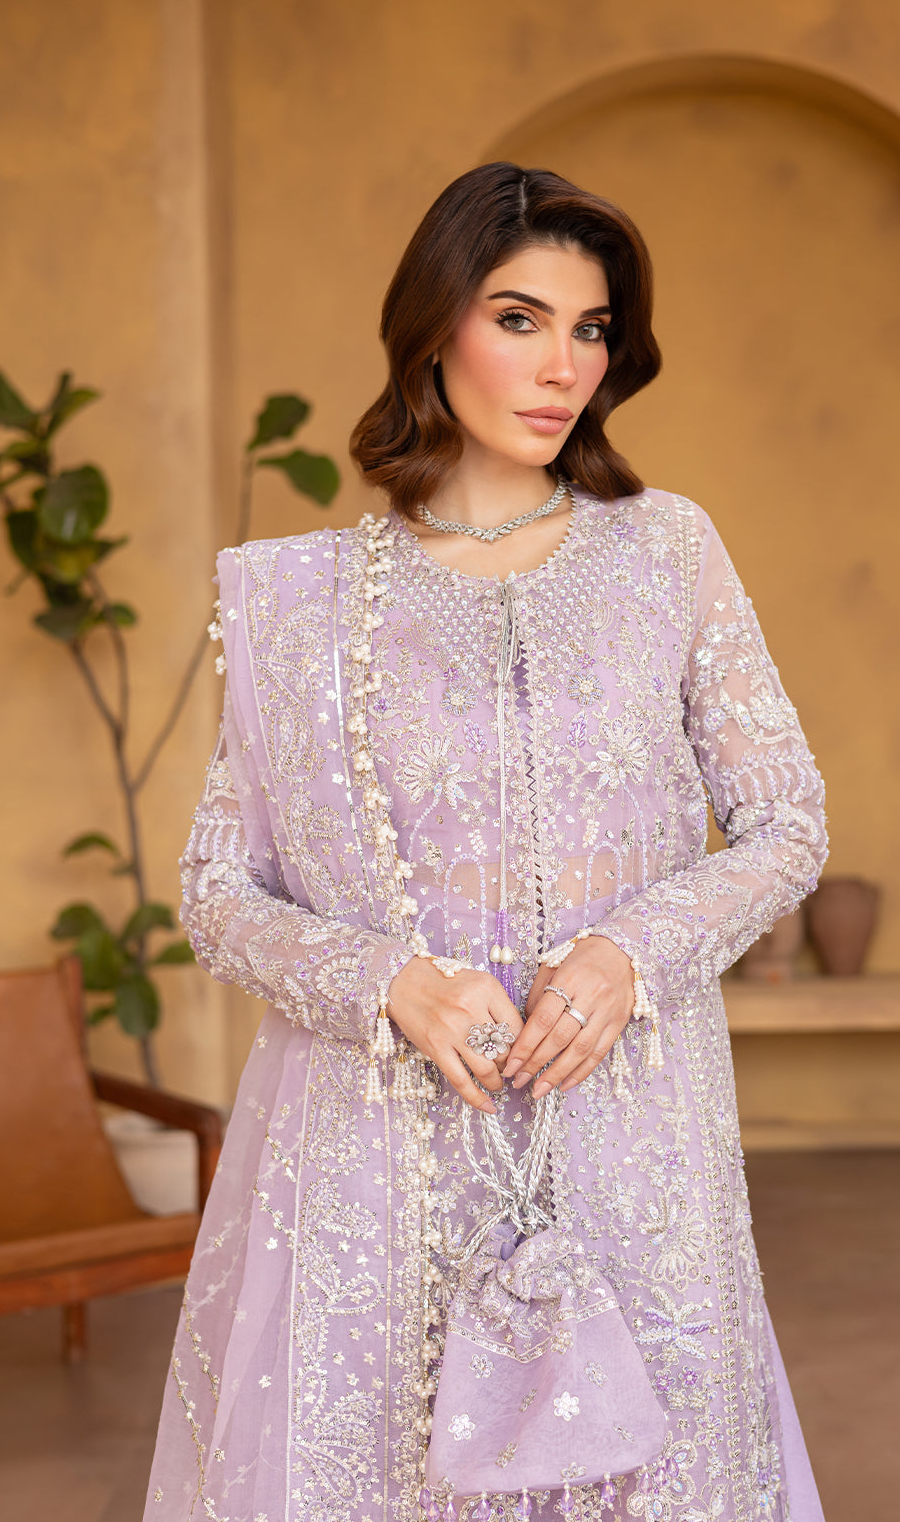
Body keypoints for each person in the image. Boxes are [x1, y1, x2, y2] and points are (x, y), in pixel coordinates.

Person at [144, 162, 828, 1522]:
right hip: (380, 1153)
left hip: (626, 1136)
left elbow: (788, 822)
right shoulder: (301, 603)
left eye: (592, 330)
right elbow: (218, 892)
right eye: (520, 319)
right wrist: (386, 982)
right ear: (433, 325)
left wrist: (631, 955)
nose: (563, 365)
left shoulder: (664, 554)